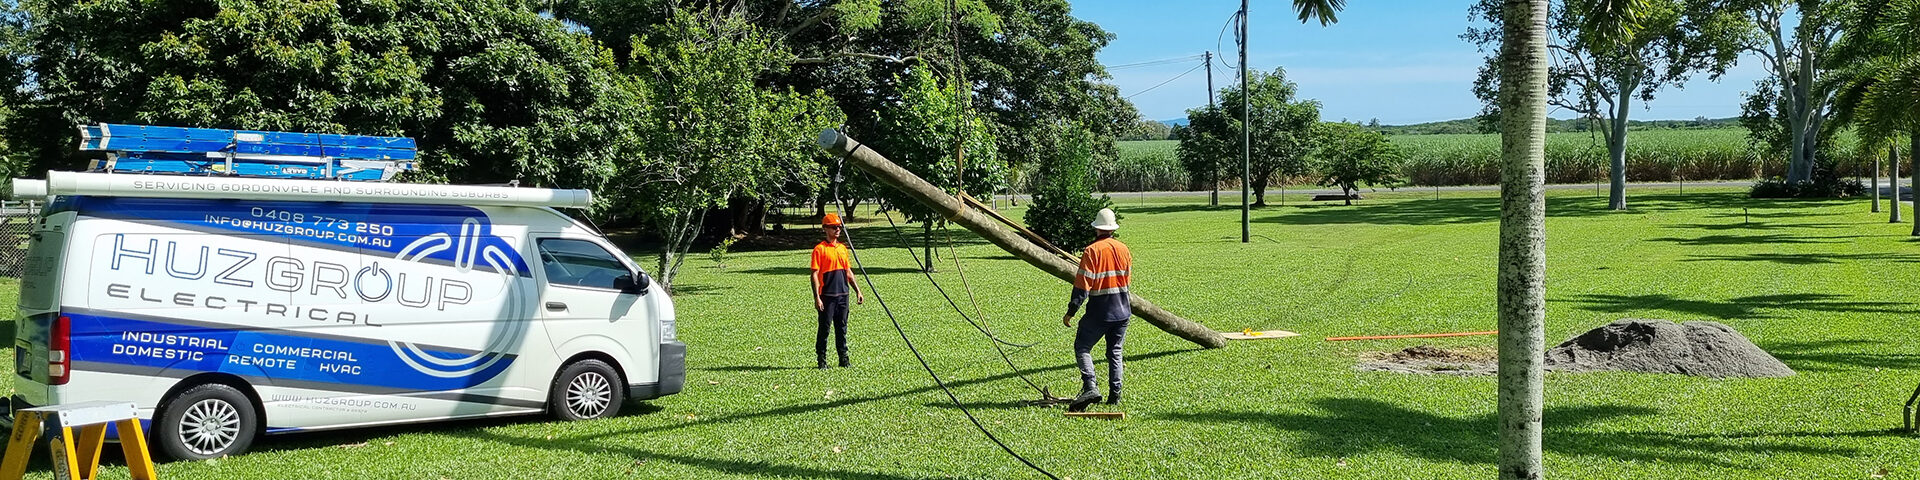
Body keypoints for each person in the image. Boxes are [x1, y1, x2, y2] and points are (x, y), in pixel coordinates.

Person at [1062, 208, 1131, 405]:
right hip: (1123, 310)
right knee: (1115, 352)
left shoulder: (1092, 251)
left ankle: (1090, 387)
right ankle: (1115, 395)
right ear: (1113, 228)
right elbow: (1127, 281)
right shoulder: (1124, 249)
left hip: (1100, 311)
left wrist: (1071, 311)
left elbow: (1082, 285)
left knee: (1082, 347)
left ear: (1097, 228)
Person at [810, 213, 864, 369]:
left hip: (843, 295)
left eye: (839, 227)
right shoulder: (819, 249)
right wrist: (817, 297)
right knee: (824, 329)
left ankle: (843, 359)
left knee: (842, 328)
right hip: (827, 296)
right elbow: (814, 274)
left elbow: (848, 272)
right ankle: (822, 360)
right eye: (834, 227)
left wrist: (858, 290)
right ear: (825, 229)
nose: (838, 229)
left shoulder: (842, 248)